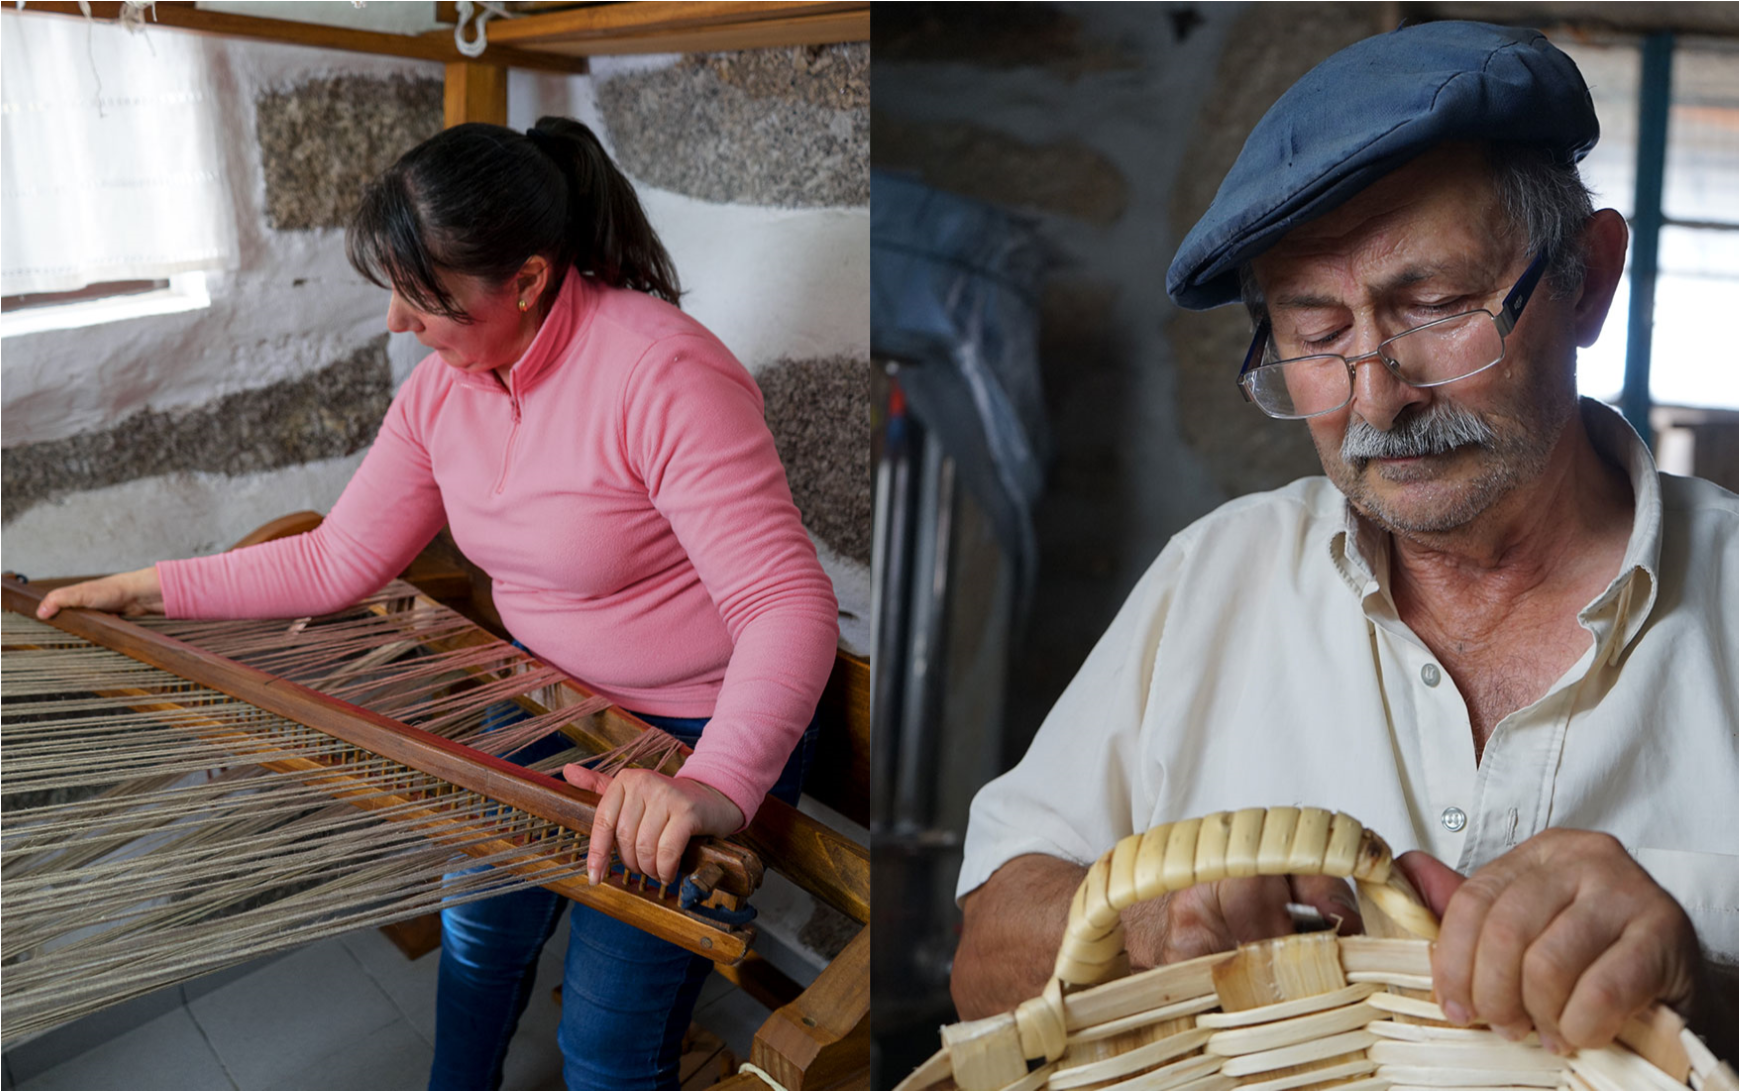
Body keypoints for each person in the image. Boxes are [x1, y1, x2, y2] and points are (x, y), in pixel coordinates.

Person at [951, 20, 1738, 1063]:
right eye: (1316, 334)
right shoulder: (1216, 577)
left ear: (1587, 278)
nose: (1378, 398)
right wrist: (1142, 923)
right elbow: (980, 958)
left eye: (1437, 305)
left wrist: (1708, 985)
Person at [37, 117, 840, 1091]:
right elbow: (337, 559)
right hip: (547, 696)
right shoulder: (442, 395)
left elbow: (786, 603)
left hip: (690, 729)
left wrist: (710, 784)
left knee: (605, 1048)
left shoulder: (664, 376)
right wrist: (145, 588)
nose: (395, 324)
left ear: (531, 281)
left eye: (426, 299)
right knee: (475, 943)